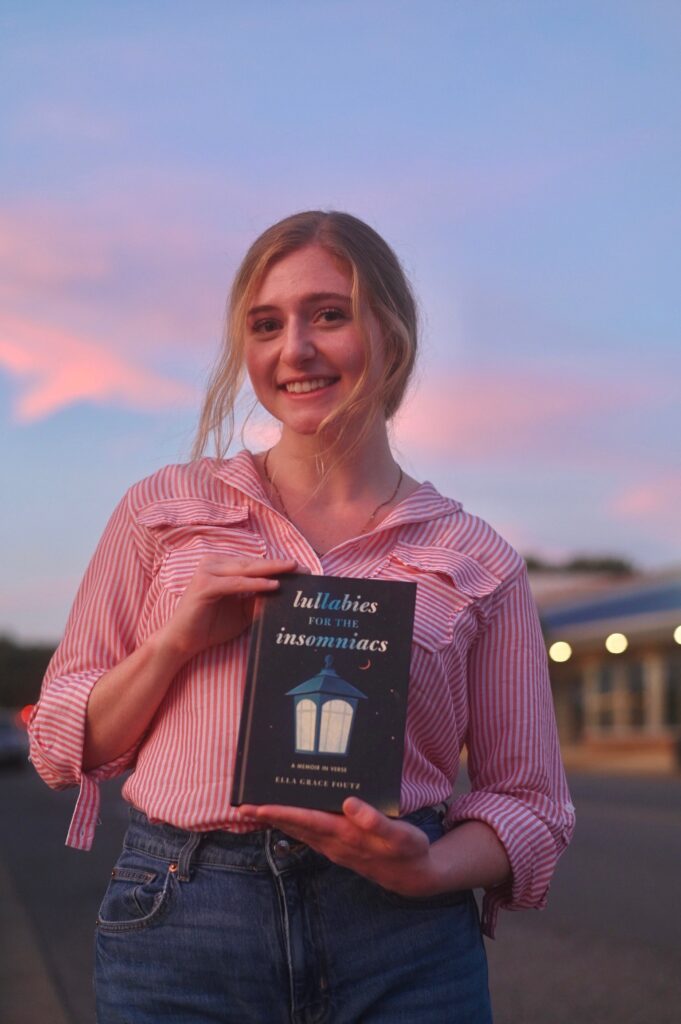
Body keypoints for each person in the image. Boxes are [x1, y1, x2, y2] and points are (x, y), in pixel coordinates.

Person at [29, 211, 575, 1023]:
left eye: (329, 313)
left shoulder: (476, 555)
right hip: (182, 921)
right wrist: (175, 642)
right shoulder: (163, 510)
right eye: (265, 324)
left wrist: (424, 870)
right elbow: (58, 748)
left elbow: (529, 802)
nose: (296, 349)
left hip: (400, 940)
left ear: (391, 331)